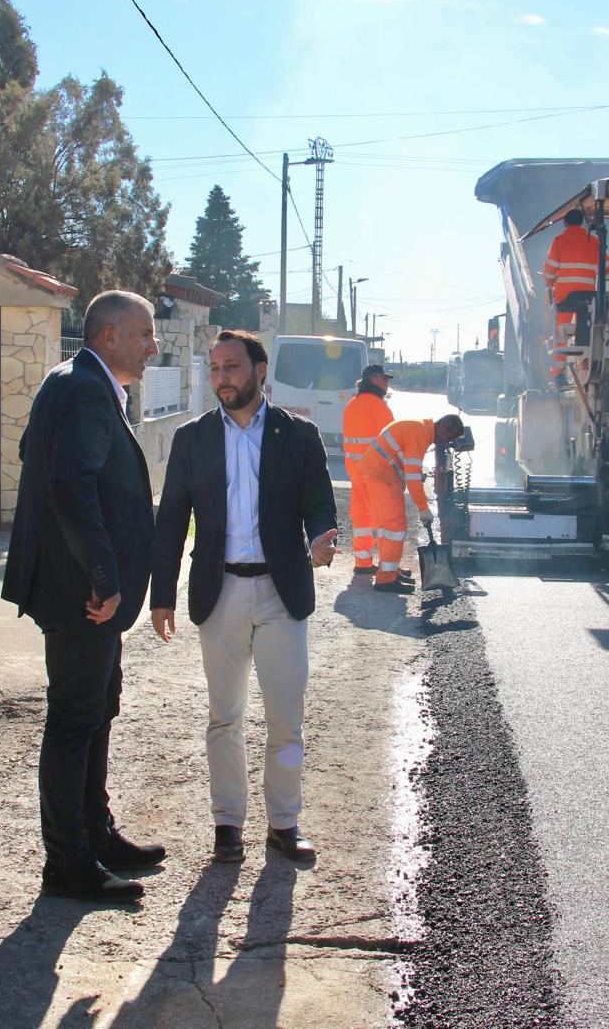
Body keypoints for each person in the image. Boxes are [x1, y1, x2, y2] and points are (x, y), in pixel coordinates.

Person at [149, 330, 338, 866]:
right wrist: (161, 594)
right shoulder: (193, 439)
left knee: (286, 718)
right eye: (214, 369)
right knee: (224, 716)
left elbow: (319, 505)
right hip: (221, 590)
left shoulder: (297, 436)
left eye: (231, 367)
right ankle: (227, 826)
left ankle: (284, 824)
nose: (222, 378)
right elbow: (170, 521)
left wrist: (322, 538)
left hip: (282, 593)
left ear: (259, 371)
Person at [0, 290, 164, 904]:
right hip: (81, 594)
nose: (153, 346)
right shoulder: (83, 389)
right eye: (144, 334)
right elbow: (71, 486)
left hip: (88, 593)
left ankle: (96, 834)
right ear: (109, 336)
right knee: (75, 720)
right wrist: (104, 574)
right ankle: (67, 863)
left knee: (98, 709)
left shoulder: (82, 382)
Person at [353, 415, 467, 593]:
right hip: (382, 477)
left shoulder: (418, 428)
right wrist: (423, 507)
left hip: (379, 474)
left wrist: (414, 475)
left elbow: (407, 464)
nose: (448, 442)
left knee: (387, 528)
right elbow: (412, 475)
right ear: (444, 427)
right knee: (394, 528)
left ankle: (389, 569)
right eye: (449, 437)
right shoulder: (420, 433)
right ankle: (386, 579)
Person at [542, 208, 609, 382]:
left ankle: (558, 372)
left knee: (560, 332)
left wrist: (549, 285)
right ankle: (585, 362)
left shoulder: (559, 241)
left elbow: (549, 271)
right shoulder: (594, 242)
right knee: (586, 330)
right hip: (588, 297)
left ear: (565, 223)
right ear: (582, 222)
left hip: (564, 297)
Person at [342, 364, 396, 575]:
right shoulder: (378, 406)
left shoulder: (351, 405)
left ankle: (363, 562)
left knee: (362, 517)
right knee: (385, 520)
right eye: (384, 378)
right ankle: (388, 565)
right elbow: (392, 441)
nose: (387, 383)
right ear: (374, 379)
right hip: (377, 473)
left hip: (356, 473)